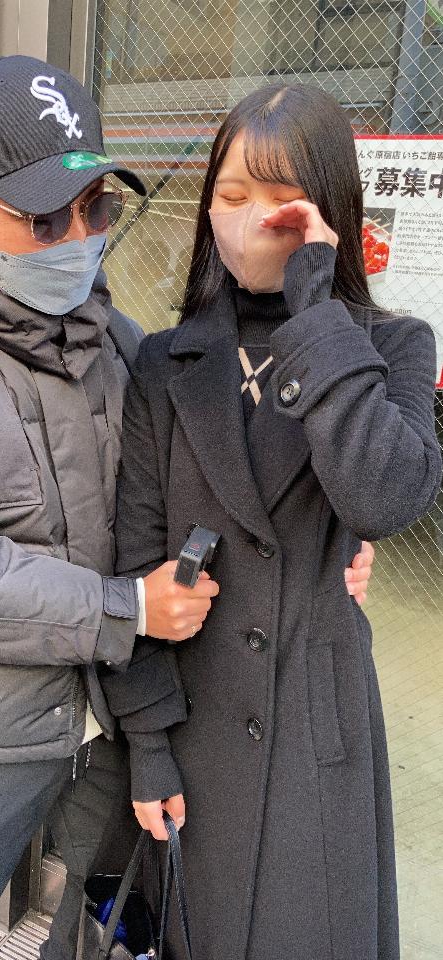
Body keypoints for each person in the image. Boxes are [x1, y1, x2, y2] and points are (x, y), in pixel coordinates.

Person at [104, 84, 442, 960]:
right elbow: (135, 556)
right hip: (196, 728)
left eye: (281, 198)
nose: (251, 219)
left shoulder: (391, 345)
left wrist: (317, 308)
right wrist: (148, 745)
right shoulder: (164, 362)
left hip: (317, 735)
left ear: (327, 211)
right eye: (231, 194)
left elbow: (384, 498)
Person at [0, 55, 222, 960]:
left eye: (96, 207)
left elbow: (190, 485)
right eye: (44, 219)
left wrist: (330, 537)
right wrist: (127, 609)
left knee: (97, 926)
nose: (79, 239)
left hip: (113, 726)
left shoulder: (118, 338)